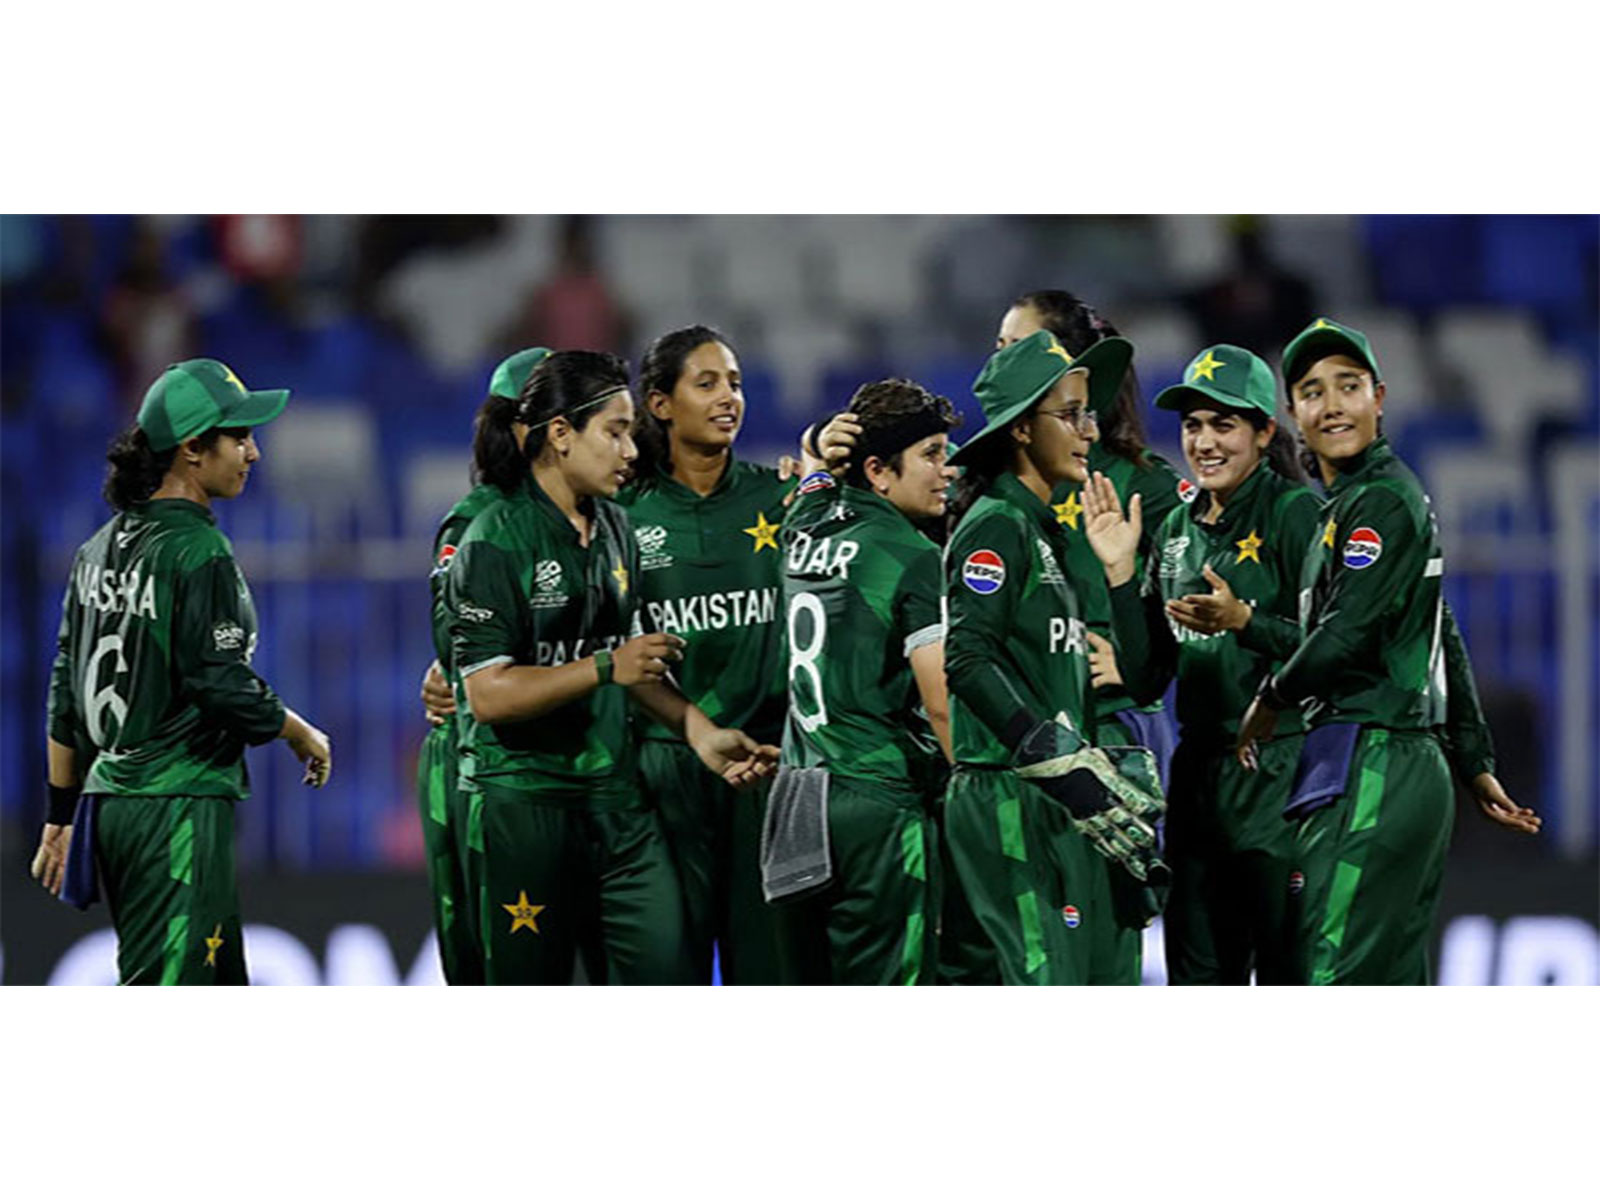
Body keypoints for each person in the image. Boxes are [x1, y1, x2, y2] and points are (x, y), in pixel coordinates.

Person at [445, 349, 778, 985]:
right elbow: (488, 694)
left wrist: (699, 731)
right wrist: (604, 668)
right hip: (524, 801)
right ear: (562, 435)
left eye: (631, 431)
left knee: (666, 977)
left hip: (616, 801)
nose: (631, 450)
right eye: (616, 432)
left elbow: (633, 660)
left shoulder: (618, 527)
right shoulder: (493, 538)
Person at [1236, 318, 1540, 985]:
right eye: (1313, 391)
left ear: (1381, 397)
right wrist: (1472, 756)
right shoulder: (1355, 503)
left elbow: (1346, 635)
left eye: (1349, 386)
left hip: (1376, 756)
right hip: (1399, 762)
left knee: (1330, 974)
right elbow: (1443, 631)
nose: (1333, 404)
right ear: (1293, 413)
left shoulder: (1376, 503)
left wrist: (1270, 699)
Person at [31, 358, 333, 985]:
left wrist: (60, 815)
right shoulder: (197, 550)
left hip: (111, 804)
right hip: (174, 804)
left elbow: (64, 693)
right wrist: (298, 731)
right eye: (240, 437)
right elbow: (219, 680)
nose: (253, 452)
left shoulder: (97, 549)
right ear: (193, 449)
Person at [1083, 344, 1319, 984]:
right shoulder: (1177, 527)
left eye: (1224, 425)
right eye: (1193, 425)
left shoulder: (1296, 515)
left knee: (1286, 980)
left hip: (1283, 775)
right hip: (1197, 779)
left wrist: (1245, 621)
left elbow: (1336, 646)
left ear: (1265, 432)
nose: (1205, 442)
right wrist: (1121, 573)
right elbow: (1146, 675)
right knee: (1198, 982)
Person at [941, 330, 1167, 986]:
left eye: (1089, 413)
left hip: (1058, 793)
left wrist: (1120, 572)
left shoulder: (1053, 534)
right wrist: (1044, 750)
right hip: (1008, 793)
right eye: (1069, 415)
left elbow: (1145, 674)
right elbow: (968, 655)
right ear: (1019, 429)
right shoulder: (995, 526)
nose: (1089, 431)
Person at [616, 325, 792, 984]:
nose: (729, 398)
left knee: (771, 975)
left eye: (737, 384)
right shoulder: (623, 514)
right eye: (708, 383)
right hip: (664, 774)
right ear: (660, 404)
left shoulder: (781, 499)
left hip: (766, 772)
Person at [768, 378, 958, 984]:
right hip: (878, 802)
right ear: (878, 470)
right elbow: (941, 707)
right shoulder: (910, 555)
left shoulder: (803, 522)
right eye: (930, 454)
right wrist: (978, 798)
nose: (947, 471)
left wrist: (819, 445)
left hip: (798, 797)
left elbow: (814, 470)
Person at [996, 290, 1185, 786]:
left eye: (1017, 346)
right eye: (999, 347)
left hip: (1113, 727)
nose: (1000, 360)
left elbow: (1214, 584)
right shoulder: (985, 481)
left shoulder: (1138, 481)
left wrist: (1140, 664)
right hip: (1024, 731)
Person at [416, 346, 549, 984]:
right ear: (521, 429)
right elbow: (461, 644)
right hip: (485, 765)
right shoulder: (476, 522)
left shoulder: (605, 516)